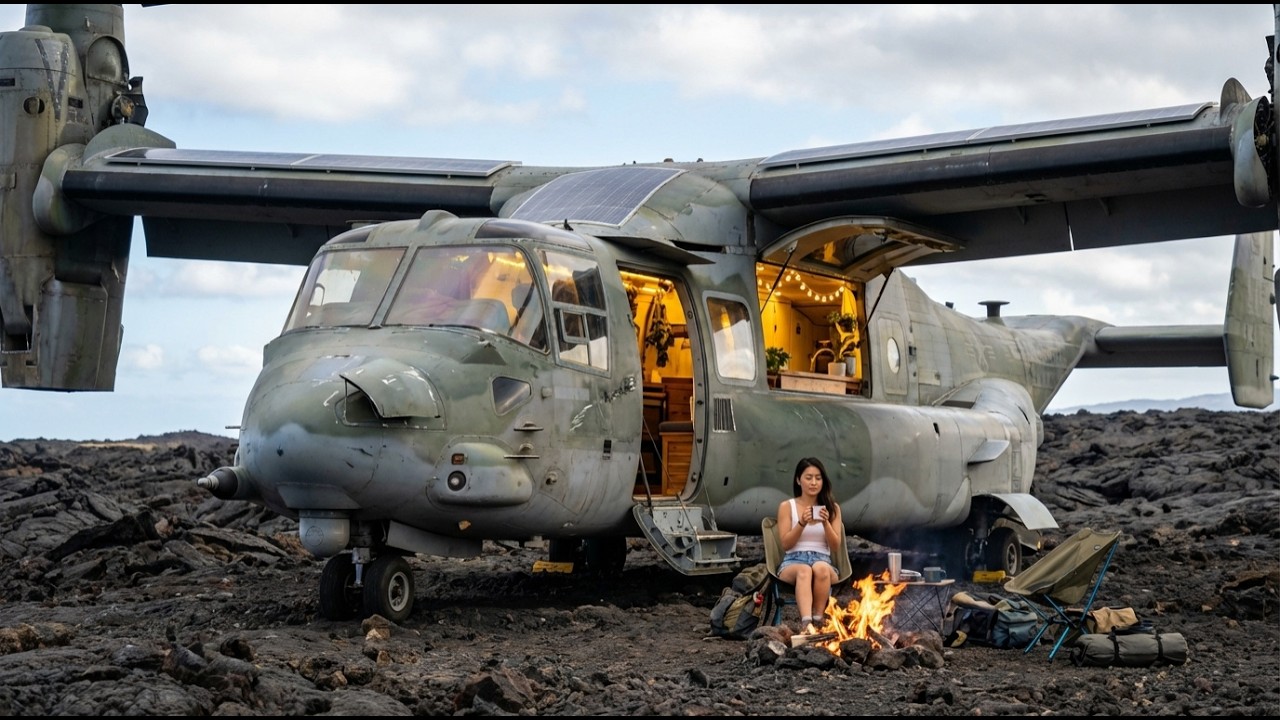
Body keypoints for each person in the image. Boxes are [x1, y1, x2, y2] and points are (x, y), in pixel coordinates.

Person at [775, 457, 842, 630]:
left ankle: (818, 619)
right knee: (804, 570)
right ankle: (807, 623)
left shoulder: (832, 508)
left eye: (818, 478)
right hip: (793, 560)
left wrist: (826, 523)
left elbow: (835, 547)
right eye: (808, 477)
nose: (813, 483)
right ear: (798, 480)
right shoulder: (787, 506)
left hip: (823, 561)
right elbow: (786, 544)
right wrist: (802, 523)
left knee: (819, 568)